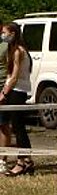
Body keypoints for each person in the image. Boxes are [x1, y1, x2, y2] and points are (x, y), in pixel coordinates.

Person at [0, 22, 34, 176]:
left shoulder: (18, 51)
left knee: (19, 127)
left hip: (17, 91)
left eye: (5, 32)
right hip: (15, 89)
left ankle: (23, 161)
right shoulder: (14, 50)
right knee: (16, 126)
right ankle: (26, 160)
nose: (3, 35)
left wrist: (4, 93)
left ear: (13, 34)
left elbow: (14, 77)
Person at [0, 20, 12, 174]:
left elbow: (12, 70)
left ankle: (2, 160)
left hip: (2, 87)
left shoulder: (6, 45)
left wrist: (4, 91)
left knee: (2, 125)